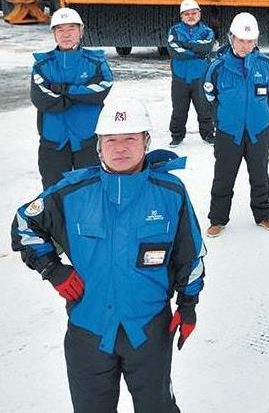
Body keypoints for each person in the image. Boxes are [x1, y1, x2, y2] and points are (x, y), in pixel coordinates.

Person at [10, 98, 206, 413]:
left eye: (130, 138)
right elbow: (24, 225)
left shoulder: (170, 192)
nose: (120, 147)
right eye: (111, 139)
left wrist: (188, 304)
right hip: (89, 330)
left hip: (149, 330)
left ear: (146, 141)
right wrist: (53, 269)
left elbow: (190, 255)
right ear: (99, 145)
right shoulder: (73, 191)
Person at [203, 12, 269, 238]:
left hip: (258, 130)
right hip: (229, 132)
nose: (246, 45)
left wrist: (265, 114)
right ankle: (217, 218)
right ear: (231, 38)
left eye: (250, 41)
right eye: (241, 40)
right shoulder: (217, 67)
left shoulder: (265, 65)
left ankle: (264, 214)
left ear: (256, 40)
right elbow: (209, 96)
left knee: (260, 174)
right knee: (223, 176)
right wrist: (223, 117)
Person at [31, 7, 114, 189]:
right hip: (53, 140)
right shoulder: (42, 65)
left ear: (81, 31)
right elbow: (41, 98)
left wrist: (64, 89)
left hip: (88, 138)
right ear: (54, 33)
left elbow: (102, 88)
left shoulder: (96, 61)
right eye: (60, 29)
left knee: (90, 189)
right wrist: (79, 94)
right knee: (54, 192)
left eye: (71, 29)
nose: (66, 34)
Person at [166, 0, 216, 147]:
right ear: (181, 16)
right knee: (179, 110)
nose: (191, 16)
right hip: (180, 78)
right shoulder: (174, 30)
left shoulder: (207, 31)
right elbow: (174, 51)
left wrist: (186, 46)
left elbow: (206, 48)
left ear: (199, 14)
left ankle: (208, 134)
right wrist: (196, 52)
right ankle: (177, 135)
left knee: (205, 109)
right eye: (186, 14)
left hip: (200, 78)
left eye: (194, 13)